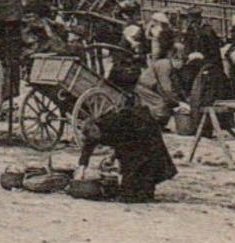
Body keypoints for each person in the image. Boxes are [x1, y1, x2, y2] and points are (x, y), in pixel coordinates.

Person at [75, 63, 179, 203]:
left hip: (144, 134)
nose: (95, 140)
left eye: (95, 136)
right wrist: (81, 168)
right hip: (134, 136)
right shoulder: (95, 129)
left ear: (97, 130)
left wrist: (113, 156)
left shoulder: (116, 122)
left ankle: (143, 192)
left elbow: (126, 145)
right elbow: (88, 146)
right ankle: (139, 192)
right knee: (131, 170)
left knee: (140, 165)